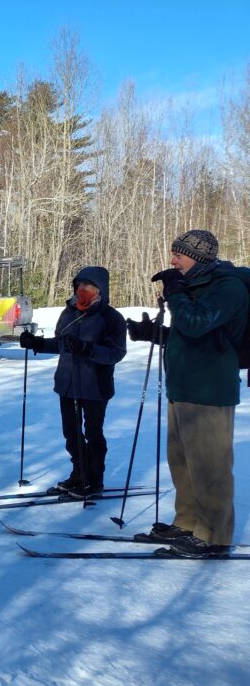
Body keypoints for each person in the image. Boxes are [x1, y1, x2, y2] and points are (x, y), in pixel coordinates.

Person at [126, 229, 248, 558]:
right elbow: (191, 335)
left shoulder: (228, 286)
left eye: (178, 255)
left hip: (209, 390)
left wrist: (176, 292)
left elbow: (196, 323)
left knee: (210, 467)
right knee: (183, 463)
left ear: (196, 257)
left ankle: (213, 536)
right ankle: (189, 523)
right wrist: (152, 333)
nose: (172, 260)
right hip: (183, 387)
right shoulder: (196, 286)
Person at [20, 266, 127, 498]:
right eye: (79, 285)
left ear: (100, 289)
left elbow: (116, 353)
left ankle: (94, 480)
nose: (82, 290)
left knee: (93, 433)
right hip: (67, 384)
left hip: (95, 386)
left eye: (87, 286)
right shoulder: (68, 312)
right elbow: (61, 344)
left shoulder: (111, 318)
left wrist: (87, 349)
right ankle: (79, 473)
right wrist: (36, 343)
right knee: (71, 433)